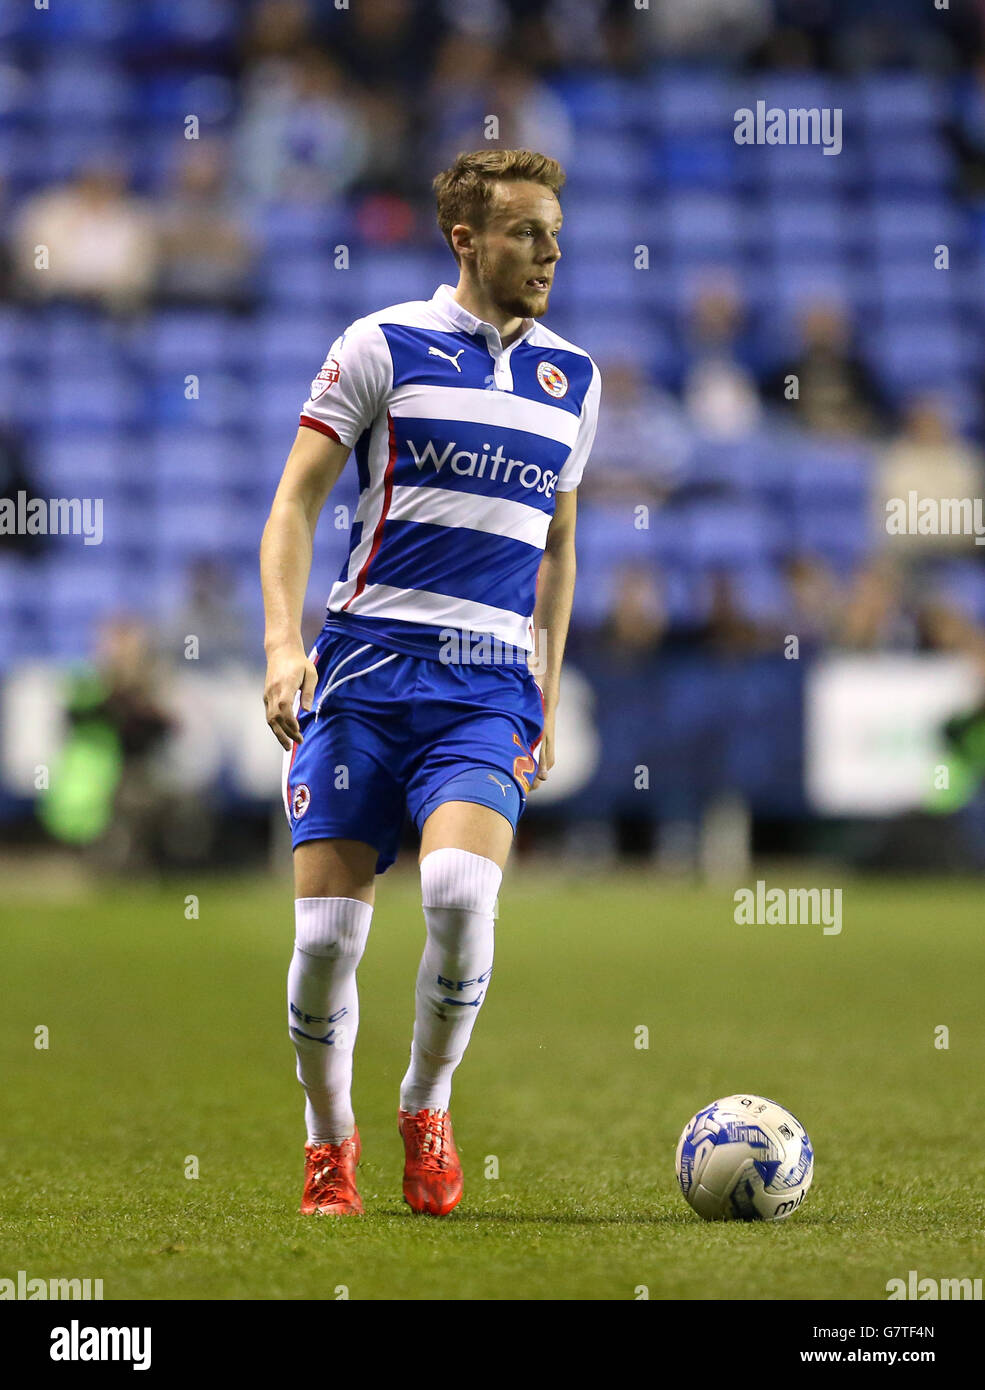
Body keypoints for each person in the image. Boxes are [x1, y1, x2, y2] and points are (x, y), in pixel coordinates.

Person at [260, 149, 601, 1217]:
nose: (549, 250)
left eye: (555, 232)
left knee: (459, 892)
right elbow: (293, 509)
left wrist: (542, 684)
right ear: (467, 238)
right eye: (525, 233)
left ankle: (426, 1102)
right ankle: (330, 1141)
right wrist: (281, 648)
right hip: (365, 671)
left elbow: (558, 552)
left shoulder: (573, 378)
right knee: (326, 943)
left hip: (486, 683)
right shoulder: (380, 344)